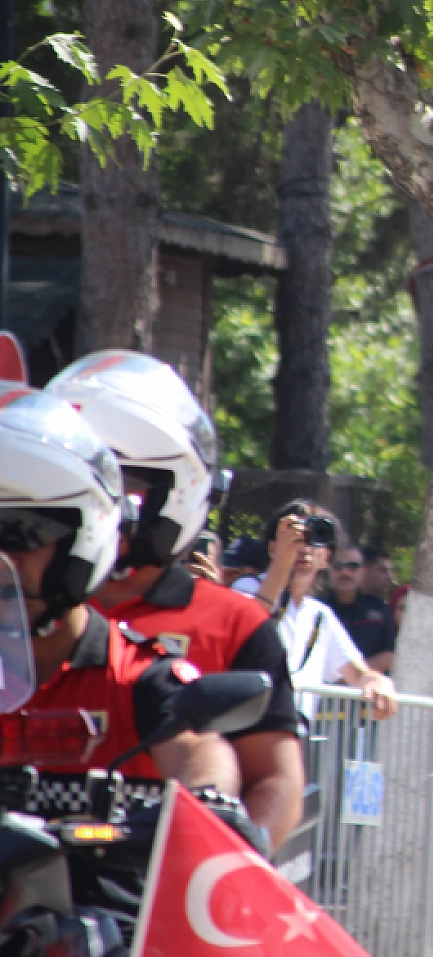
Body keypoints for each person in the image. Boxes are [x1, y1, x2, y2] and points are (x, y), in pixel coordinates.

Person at [0, 386, 247, 939]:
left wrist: (208, 798)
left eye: (18, 536)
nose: (0, 562)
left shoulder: (137, 675)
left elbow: (200, 750)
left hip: (96, 925)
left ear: (83, 539)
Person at [47, 351, 307, 847]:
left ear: (180, 491)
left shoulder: (236, 623)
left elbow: (274, 777)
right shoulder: (27, 611)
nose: (107, 508)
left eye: (127, 487)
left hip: (151, 875)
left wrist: (225, 870)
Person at [244, 501, 397, 723]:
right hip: (246, 729)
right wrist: (281, 563)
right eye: (296, 536)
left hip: (292, 730)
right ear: (272, 547)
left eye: (316, 537)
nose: (305, 547)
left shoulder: (319, 615)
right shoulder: (246, 588)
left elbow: (358, 674)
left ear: (327, 558)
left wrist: (378, 682)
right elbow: (249, 624)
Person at [323, 548, 397, 673]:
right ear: (328, 569)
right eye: (338, 566)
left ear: (363, 572)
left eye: (353, 566)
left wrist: (353, 675)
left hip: (367, 683)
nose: (345, 572)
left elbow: (390, 655)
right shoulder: (316, 609)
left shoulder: (379, 607)